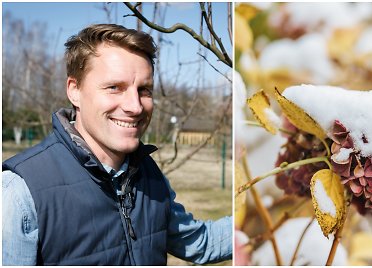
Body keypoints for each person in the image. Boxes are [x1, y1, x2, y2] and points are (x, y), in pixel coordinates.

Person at [2, 24, 232, 265]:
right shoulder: (19, 192)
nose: (135, 106)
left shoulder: (149, 176)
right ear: (74, 91)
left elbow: (201, 243)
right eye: (114, 87)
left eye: (144, 90)